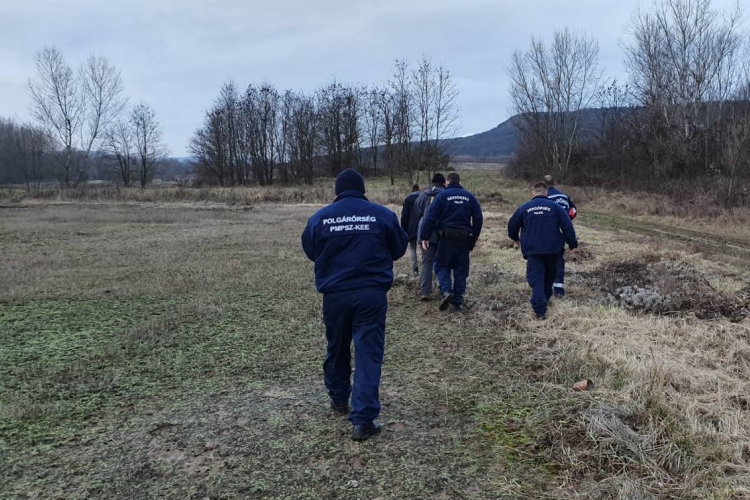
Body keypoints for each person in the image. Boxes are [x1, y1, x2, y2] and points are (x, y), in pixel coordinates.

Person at [301, 169, 408, 441]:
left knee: (336, 347)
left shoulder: (320, 218)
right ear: (362, 190)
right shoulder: (382, 215)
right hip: (371, 295)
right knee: (367, 353)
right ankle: (363, 420)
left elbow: (311, 251)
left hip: (335, 296)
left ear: (337, 191)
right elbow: (398, 249)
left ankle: (338, 398)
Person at [508, 182, 578, 320]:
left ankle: (540, 307)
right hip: (553, 250)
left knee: (537, 277)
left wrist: (515, 238)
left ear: (533, 193)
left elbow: (512, 225)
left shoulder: (524, 208)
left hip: (533, 250)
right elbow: (567, 226)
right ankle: (542, 303)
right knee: (549, 276)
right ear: (546, 193)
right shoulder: (556, 207)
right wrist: (572, 244)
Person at [420, 172, 483, 313]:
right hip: (464, 238)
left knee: (441, 265)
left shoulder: (442, 196)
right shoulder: (469, 197)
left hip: (446, 237)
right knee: (461, 270)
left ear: (447, 183)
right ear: (459, 182)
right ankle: (457, 302)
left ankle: (446, 291)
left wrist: (425, 235)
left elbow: (430, 217)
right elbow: (478, 218)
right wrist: (474, 236)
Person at [414, 173, 447, 300]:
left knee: (427, 262)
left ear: (432, 183)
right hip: (441, 232)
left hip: (424, 233)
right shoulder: (445, 195)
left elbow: (418, 212)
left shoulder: (423, 195)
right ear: (443, 183)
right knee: (444, 262)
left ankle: (425, 292)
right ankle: (444, 290)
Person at [543, 175, 577, 298]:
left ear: (544, 184)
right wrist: (567, 220)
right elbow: (573, 211)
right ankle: (558, 290)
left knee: (543, 259)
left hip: (546, 233)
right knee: (558, 261)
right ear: (554, 182)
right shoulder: (564, 196)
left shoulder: (544, 197)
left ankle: (545, 287)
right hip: (561, 233)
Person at [400, 184, 422, 276]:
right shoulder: (424, 198)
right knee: (424, 248)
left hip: (411, 227)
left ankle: (415, 269)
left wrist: (403, 230)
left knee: (412, 248)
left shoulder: (408, 200)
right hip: (423, 226)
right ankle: (427, 269)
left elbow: (404, 216)